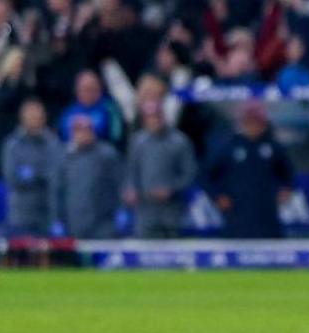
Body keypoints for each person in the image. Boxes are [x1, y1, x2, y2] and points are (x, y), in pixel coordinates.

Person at [205, 103, 296, 240]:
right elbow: (208, 175)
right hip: (236, 209)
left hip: (266, 210)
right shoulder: (229, 146)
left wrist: (286, 189)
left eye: (256, 122)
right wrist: (217, 196)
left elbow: (288, 172)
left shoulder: (273, 146)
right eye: (248, 122)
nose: (253, 126)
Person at [125, 97, 197, 238]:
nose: (154, 120)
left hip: (172, 210)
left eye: (156, 116)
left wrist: (172, 189)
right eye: (149, 117)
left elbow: (189, 174)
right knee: (145, 253)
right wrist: (131, 188)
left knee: (172, 253)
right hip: (146, 210)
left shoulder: (179, 141)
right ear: (144, 119)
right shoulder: (137, 142)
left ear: (163, 116)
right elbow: (131, 171)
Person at [55, 113, 124, 240]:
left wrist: (120, 212)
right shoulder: (65, 157)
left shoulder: (107, 155)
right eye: (78, 130)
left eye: (86, 130)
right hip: (74, 223)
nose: (82, 134)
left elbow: (120, 184)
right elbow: (59, 190)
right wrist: (59, 219)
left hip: (103, 223)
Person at [0, 99, 62, 237]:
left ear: (44, 118)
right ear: (22, 119)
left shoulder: (53, 143)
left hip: (48, 213)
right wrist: (41, 176)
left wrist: (31, 174)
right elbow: (12, 178)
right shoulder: (12, 145)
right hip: (21, 215)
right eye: (31, 117)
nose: (35, 121)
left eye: (38, 117)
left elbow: (56, 175)